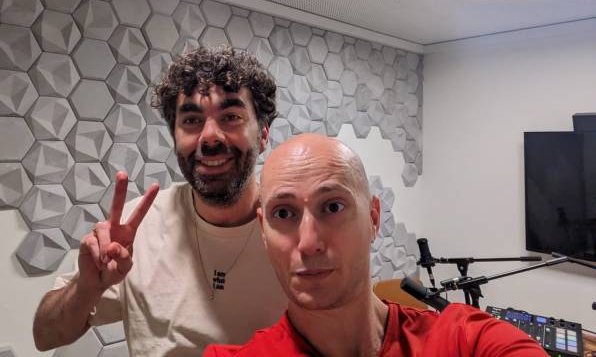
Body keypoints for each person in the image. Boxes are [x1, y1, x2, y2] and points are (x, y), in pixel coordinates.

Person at [33, 46, 287, 356]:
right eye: (191, 120)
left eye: (231, 117)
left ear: (263, 134)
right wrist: (87, 287)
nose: (209, 137)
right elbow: (44, 336)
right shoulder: (137, 228)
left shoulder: (295, 231)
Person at [204, 134, 547, 356]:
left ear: (373, 218)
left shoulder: (465, 343)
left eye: (332, 207)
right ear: (264, 231)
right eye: (283, 213)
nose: (308, 243)